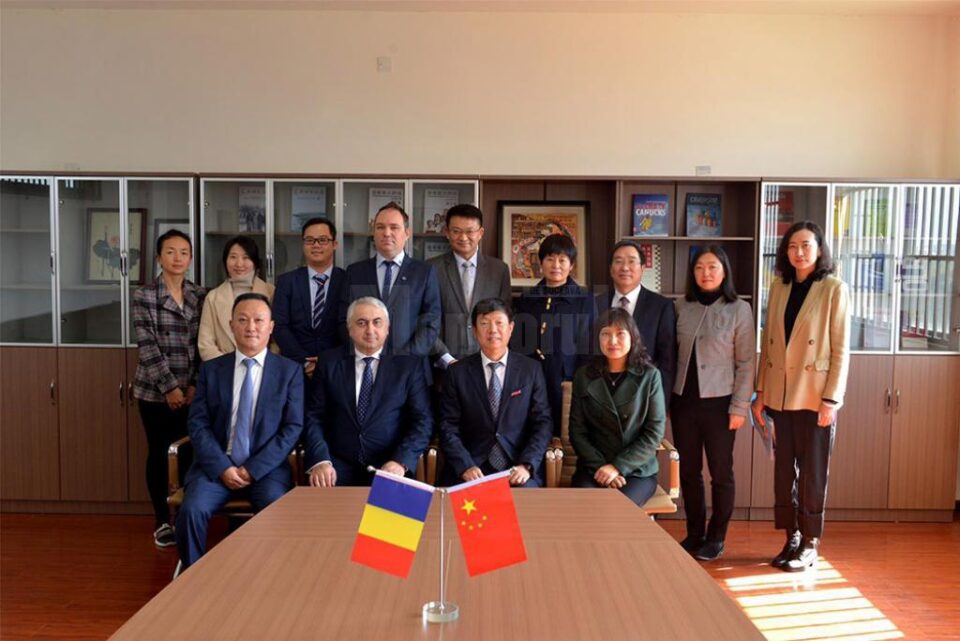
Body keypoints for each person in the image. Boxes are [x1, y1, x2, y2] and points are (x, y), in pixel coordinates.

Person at [175, 293, 303, 572]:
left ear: (271, 327)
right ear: (231, 325)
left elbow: (291, 428)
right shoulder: (211, 370)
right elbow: (198, 423)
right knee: (191, 511)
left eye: (259, 320)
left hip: (264, 470)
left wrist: (251, 469)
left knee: (277, 511)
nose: (251, 327)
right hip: (216, 467)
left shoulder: (289, 372)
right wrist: (222, 467)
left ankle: (268, 576)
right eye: (243, 320)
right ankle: (192, 578)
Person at [752, 221, 850, 572]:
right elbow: (769, 344)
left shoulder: (834, 289)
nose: (800, 252)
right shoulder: (779, 286)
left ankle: (810, 543)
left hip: (814, 397)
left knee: (812, 473)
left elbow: (841, 350)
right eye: (793, 246)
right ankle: (791, 536)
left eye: (807, 245)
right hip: (780, 395)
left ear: (820, 249)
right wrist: (760, 392)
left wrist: (831, 400)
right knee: (783, 473)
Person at [672, 245, 755, 561]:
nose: (705, 273)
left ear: (724, 271)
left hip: (720, 405)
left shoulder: (738, 309)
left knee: (721, 472)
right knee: (689, 472)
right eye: (699, 268)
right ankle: (694, 533)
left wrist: (739, 407)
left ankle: (716, 536)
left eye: (712, 267)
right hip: (684, 403)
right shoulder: (681, 306)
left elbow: (746, 362)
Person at [303, 297, 432, 487]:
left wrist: (400, 461)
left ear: (387, 328)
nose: (370, 330)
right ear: (350, 329)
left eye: (377, 322)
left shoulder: (408, 366)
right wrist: (321, 460)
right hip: (336, 465)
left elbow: (423, 421)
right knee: (322, 512)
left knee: (395, 516)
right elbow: (313, 416)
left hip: (389, 466)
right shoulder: (329, 362)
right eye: (361, 323)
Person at [132, 229, 205, 548]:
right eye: (171, 252)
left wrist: (192, 385)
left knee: (188, 453)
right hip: (154, 392)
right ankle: (162, 520)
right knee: (160, 453)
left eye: (184, 252)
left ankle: (186, 514)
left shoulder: (199, 295)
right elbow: (146, 345)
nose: (178, 258)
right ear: (159, 257)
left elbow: (202, 344)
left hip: (190, 391)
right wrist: (169, 388)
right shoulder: (145, 295)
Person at [439, 298, 553, 487]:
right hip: (472, 468)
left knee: (527, 508)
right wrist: (465, 465)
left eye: (499, 323)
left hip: (516, 467)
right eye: (484, 324)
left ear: (511, 328)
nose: (492, 330)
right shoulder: (457, 373)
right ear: (475, 331)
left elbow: (543, 423)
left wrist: (526, 464)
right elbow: (447, 426)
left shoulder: (530, 370)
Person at [568, 308, 666, 507]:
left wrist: (617, 467)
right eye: (605, 334)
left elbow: (654, 433)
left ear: (633, 337)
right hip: (593, 468)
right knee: (587, 507)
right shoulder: (583, 376)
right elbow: (577, 431)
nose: (612, 341)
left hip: (636, 470)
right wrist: (602, 467)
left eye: (620, 334)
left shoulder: (649, 376)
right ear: (597, 339)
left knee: (619, 509)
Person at [339, 202, 441, 383]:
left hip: (412, 371)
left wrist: (405, 359)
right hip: (363, 368)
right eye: (380, 227)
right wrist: (366, 354)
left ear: (407, 233)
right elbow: (343, 319)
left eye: (394, 227)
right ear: (373, 232)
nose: (387, 233)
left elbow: (431, 322)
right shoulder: (355, 272)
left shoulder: (424, 272)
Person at [512, 234, 596, 435]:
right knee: (532, 432)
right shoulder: (526, 299)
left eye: (562, 260)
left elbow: (588, 345)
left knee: (563, 436)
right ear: (541, 263)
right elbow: (517, 343)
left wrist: (579, 382)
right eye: (549, 259)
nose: (555, 265)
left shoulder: (584, 299)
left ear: (571, 265)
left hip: (566, 381)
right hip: (530, 381)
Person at [428, 203, 511, 367]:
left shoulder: (499, 270)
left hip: (487, 365)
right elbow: (425, 320)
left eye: (470, 231)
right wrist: (447, 359)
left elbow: (505, 319)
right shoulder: (431, 269)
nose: (463, 237)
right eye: (456, 231)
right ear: (447, 233)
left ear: (480, 233)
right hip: (443, 367)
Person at [603, 240, 676, 402]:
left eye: (631, 261)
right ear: (611, 269)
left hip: (645, 397)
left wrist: (661, 404)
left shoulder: (661, 306)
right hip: (603, 397)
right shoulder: (596, 303)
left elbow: (667, 361)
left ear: (642, 268)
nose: (625, 267)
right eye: (618, 261)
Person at [273, 217, 345, 377]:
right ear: (303, 244)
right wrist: (304, 361)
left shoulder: (347, 281)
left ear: (334, 245)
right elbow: (279, 326)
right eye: (310, 240)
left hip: (337, 369)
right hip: (295, 368)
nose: (316, 245)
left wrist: (326, 362)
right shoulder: (287, 281)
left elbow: (350, 327)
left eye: (323, 240)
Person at [198, 236, 274, 361]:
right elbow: (206, 345)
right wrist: (229, 368)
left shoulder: (271, 292)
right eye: (233, 257)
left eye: (246, 257)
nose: (239, 263)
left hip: (264, 369)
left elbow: (277, 341)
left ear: (255, 262)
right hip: (223, 371)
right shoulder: (213, 297)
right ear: (225, 261)